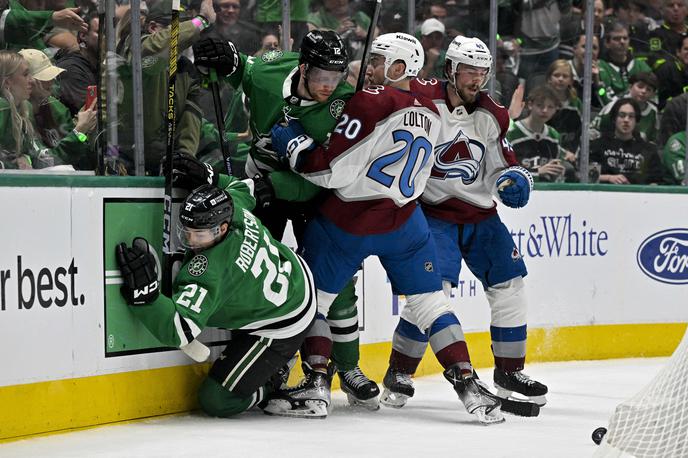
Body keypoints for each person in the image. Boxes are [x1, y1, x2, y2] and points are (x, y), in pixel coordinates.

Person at [269, 32, 505, 424]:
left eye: (377, 60)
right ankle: (469, 385)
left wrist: (294, 144)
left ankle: (315, 385)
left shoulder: (371, 101)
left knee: (316, 302)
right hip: (406, 224)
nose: (369, 67)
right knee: (432, 304)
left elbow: (330, 170)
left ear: (398, 68)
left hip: (351, 220)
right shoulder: (431, 110)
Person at [192, 30, 380, 409]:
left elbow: (328, 172)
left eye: (338, 77)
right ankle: (270, 365)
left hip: (315, 192)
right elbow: (243, 70)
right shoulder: (270, 70)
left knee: (334, 282)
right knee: (256, 276)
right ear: (303, 67)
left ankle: (349, 367)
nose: (331, 86)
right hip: (264, 188)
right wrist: (226, 56)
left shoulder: (346, 106)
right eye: (322, 77)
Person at [376, 35, 548, 415]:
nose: (477, 79)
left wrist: (514, 181)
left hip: (481, 217)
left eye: (483, 71)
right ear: (451, 70)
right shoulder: (423, 95)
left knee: (510, 286)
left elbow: (502, 168)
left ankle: (509, 371)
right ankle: (399, 371)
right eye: (470, 70)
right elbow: (385, 84)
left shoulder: (493, 114)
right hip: (432, 214)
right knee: (432, 292)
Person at [114, 177, 317, 418]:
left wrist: (146, 299)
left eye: (199, 235)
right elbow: (247, 187)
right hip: (294, 272)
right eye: (186, 231)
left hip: (286, 319)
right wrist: (206, 175)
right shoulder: (233, 207)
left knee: (217, 400)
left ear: (221, 228)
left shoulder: (212, 270)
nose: (190, 241)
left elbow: (179, 330)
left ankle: (272, 380)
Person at [0, 50, 92, 169]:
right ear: (8, 82)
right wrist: (13, 164)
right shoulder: (4, 108)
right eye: (25, 74)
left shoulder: (25, 109)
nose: (31, 80)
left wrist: (80, 133)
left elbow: (42, 159)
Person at [589, 98, 664, 184]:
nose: (626, 120)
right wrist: (609, 178)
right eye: (622, 115)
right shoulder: (598, 145)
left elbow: (657, 181)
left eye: (631, 116)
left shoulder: (648, 150)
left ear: (636, 120)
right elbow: (588, 176)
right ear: (614, 118)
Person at [508, 85, 569, 182]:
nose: (545, 110)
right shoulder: (511, 132)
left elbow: (556, 169)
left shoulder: (554, 136)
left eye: (550, 107)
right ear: (530, 105)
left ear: (555, 109)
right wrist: (536, 172)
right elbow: (504, 170)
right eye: (540, 105)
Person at [590, 72, 659, 143]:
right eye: (640, 87)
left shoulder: (653, 112)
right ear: (630, 87)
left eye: (648, 89)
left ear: (653, 94)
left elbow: (653, 140)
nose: (643, 91)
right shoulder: (614, 105)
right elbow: (593, 130)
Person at [55, 11, 99, 116]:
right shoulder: (70, 69)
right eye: (100, 31)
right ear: (83, 35)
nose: (108, 37)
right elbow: (91, 112)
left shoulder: (99, 65)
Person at [546, 59, 583, 153]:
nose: (560, 79)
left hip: (572, 152)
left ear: (571, 80)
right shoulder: (542, 102)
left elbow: (582, 132)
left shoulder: (576, 103)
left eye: (565, 76)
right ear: (549, 79)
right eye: (556, 75)